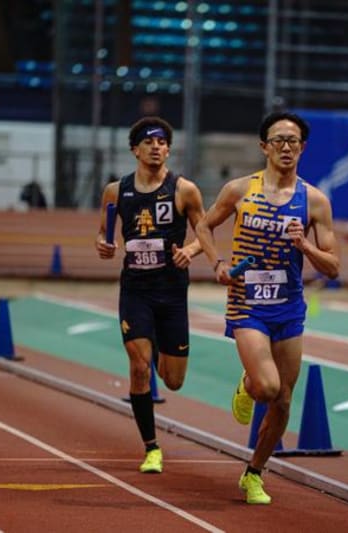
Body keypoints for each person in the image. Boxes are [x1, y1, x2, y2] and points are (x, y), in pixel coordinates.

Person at [195, 111, 339, 504]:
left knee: (284, 399)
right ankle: (247, 385)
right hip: (248, 304)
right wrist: (218, 264)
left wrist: (305, 246)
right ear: (264, 147)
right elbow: (204, 226)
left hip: (289, 307)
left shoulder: (315, 201)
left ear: (303, 148)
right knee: (268, 386)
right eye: (279, 140)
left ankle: (254, 473)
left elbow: (333, 266)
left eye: (294, 141)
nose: (287, 147)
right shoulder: (239, 190)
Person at [95, 116, 205, 474]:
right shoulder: (116, 191)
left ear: (168, 148)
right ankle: (152, 448)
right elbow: (103, 234)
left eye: (162, 141)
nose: (156, 146)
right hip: (136, 290)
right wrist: (104, 245)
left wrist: (190, 250)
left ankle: (157, 341)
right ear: (135, 149)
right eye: (149, 141)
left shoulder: (185, 190)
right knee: (139, 368)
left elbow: (205, 235)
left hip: (172, 292)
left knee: (173, 380)